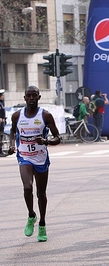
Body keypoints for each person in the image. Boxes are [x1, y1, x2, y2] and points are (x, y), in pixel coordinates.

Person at [7, 85, 61, 242]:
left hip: (41, 158)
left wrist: (46, 141)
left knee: (41, 194)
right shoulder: (17, 116)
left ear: (39, 97)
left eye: (34, 95)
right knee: (27, 187)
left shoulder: (45, 116)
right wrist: (12, 145)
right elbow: (12, 131)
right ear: (24, 98)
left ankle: (42, 224)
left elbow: (57, 138)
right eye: (28, 95)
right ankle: (31, 215)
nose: (31, 98)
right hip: (24, 157)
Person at [0, 89, 5, 155]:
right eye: (2, 95)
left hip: (2, 122)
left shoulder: (1, 103)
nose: (3, 96)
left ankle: (0, 150)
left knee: (1, 136)